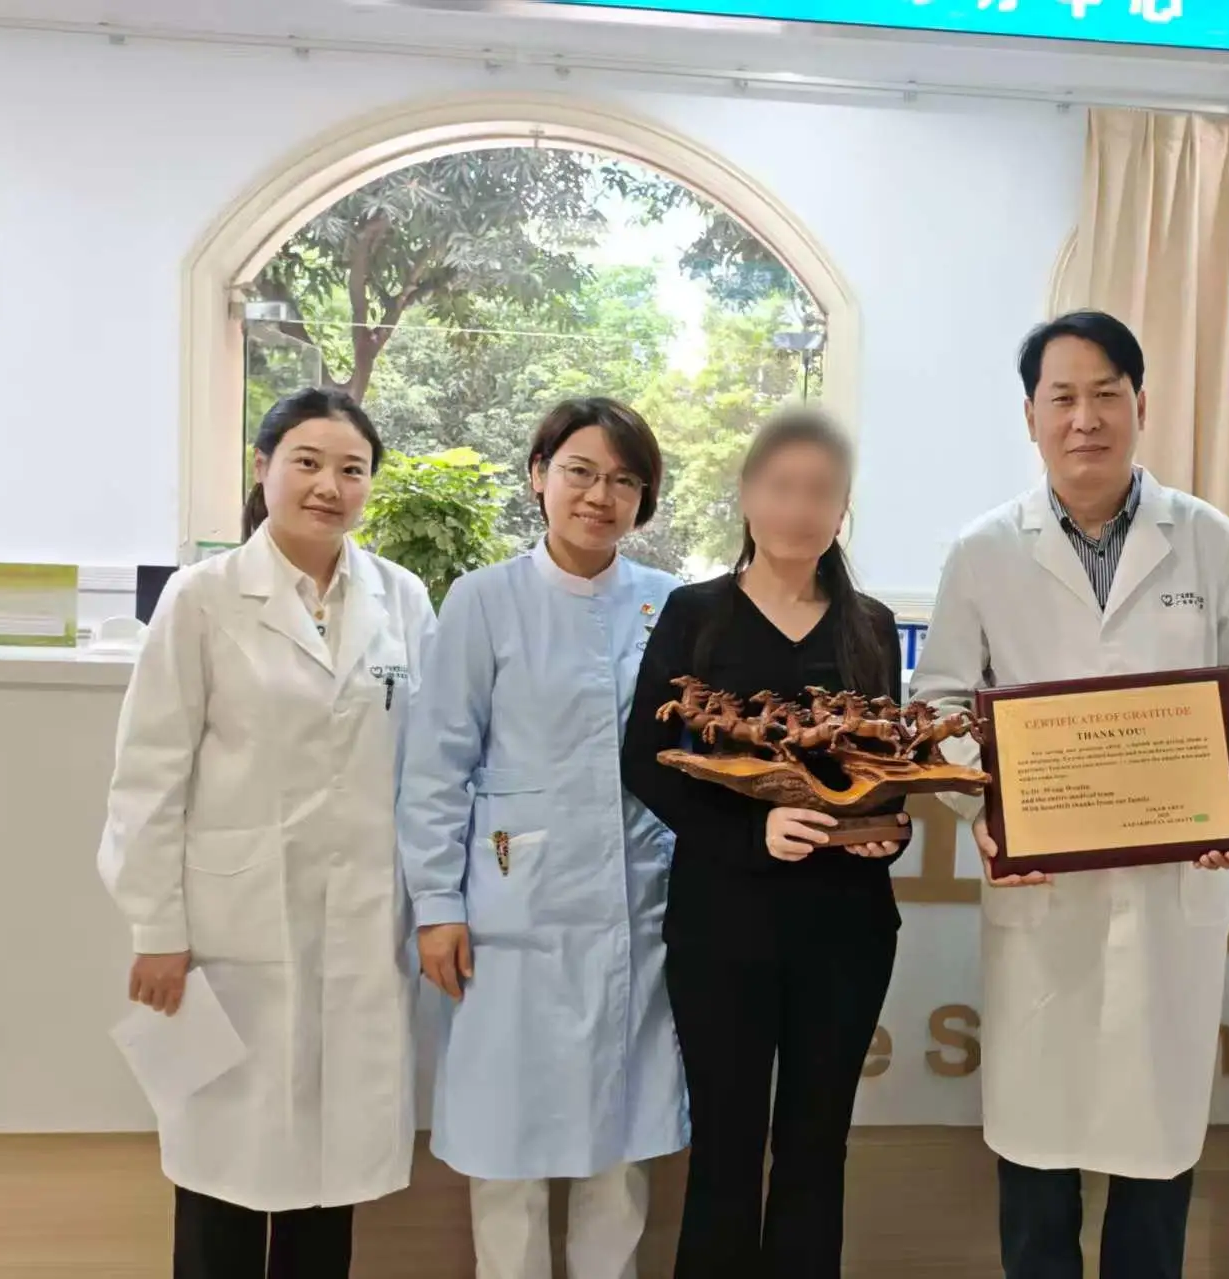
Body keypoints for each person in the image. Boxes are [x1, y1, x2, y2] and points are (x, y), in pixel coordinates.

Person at [910, 310, 1229, 1279]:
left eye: (1106, 394)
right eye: (1063, 397)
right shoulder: (984, 551)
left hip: (1170, 887)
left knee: (1153, 1162)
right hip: (1045, 893)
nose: (1085, 418)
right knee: (1039, 1162)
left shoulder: (1205, 539)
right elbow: (937, 706)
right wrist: (989, 811)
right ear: (1031, 416)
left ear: (1140, 404)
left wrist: (1228, 798)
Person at [99, 388, 436, 1279]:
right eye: (307, 462)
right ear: (263, 467)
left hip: (362, 925)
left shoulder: (401, 598)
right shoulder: (203, 597)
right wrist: (156, 927)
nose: (329, 485)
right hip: (231, 927)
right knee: (224, 1165)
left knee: (330, 1169)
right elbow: (149, 774)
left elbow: (432, 762)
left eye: (352, 469)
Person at [397, 398, 685, 1279]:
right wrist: (437, 904)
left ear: (644, 499)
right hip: (509, 916)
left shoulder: (669, 604)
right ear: (538, 476)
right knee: (507, 1149)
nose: (600, 496)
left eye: (623, 481)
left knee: (617, 1151)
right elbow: (437, 763)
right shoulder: (483, 599)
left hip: (636, 907)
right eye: (580, 472)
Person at [620, 407, 909, 1279]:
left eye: (820, 491)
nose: (798, 508)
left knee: (817, 1146)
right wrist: (755, 831)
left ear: (843, 507)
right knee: (726, 1143)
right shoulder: (695, 612)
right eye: (781, 487)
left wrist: (884, 831)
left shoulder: (869, 624)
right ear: (747, 496)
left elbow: (887, 766)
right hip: (723, 923)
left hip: (847, 929)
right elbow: (644, 758)